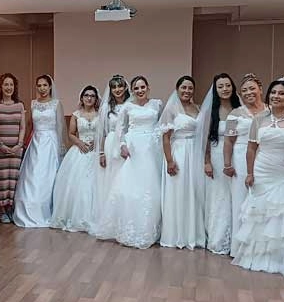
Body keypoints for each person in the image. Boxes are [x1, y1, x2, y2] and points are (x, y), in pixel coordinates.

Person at [232, 78, 284, 280]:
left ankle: (281, 258)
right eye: (273, 92)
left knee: (283, 212)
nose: (276, 96)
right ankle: (259, 256)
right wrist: (249, 172)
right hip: (263, 169)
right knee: (261, 212)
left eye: (281, 93)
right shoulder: (259, 119)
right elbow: (251, 147)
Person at [98, 76, 163, 248]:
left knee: (152, 185)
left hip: (152, 148)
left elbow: (161, 126)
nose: (140, 90)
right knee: (131, 186)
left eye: (143, 87)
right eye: (136, 88)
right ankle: (130, 225)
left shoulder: (157, 104)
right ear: (132, 90)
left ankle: (152, 227)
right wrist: (123, 145)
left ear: (148, 88)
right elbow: (120, 128)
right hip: (134, 147)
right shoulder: (127, 106)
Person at [158, 75, 211, 249]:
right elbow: (165, 138)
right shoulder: (171, 109)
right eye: (184, 88)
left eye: (190, 88)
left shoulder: (197, 108)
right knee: (179, 192)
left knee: (195, 192)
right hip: (179, 152)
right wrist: (169, 161)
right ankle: (177, 234)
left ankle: (194, 234)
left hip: (195, 153)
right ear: (177, 89)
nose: (187, 91)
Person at [13, 74, 68, 228]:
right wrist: (24, 143)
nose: (42, 88)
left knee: (47, 174)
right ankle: (28, 210)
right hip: (36, 142)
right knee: (32, 174)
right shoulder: (33, 104)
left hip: (50, 142)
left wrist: (60, 146)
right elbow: (30, 124)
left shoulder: (56, 104)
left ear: (50, 87)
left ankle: (47, 210)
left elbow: (60, 127)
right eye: (39, 85)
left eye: (45, 85)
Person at [223, 73, 269, 257]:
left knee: (264, 201)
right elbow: (228, 141)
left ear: (260, 89)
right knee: (241, 201)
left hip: (266, 158)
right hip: (241, 158)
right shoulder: (235, 114)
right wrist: (227, 164)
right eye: (244, 90)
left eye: (252, 88)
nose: (248, 92)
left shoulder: (271, 110)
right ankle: (240, 247)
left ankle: (262, 248)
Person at [51, 85, 100, 232]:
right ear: (82, 98)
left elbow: (104, 131)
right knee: (77, 184)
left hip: (96, 152)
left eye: (92, 95)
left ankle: (94, 217)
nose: (89, 98)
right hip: (79, 151)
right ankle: (75, 216)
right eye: (86, 95)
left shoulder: (101, 114)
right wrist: (79, 143)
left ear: (96, 99)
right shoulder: (76, 115)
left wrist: (97, 142)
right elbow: (71, 133)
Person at [204, 73, 240, 255]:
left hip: (238, 156)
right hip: (218, 157)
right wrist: (207, 162)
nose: (225, 89)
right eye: (220, 86)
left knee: (237, 197)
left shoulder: (240, 107)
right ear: (215, 90)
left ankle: (237, 239)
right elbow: (206, 140)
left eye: (227, 85)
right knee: (220, 198)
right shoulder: (211, 110)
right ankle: (219, 239)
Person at [93, 75, 130, 238]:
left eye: (120, 86)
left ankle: (125, 218)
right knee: (110, 181)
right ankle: (110, 220)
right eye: (114, 87)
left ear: (125, 87)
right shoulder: (106, 108)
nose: (117, 89)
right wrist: (101, 152)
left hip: (128, 144)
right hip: (110, 145)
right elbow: (101, 132)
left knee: (126, 181)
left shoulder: (131, 105)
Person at [0, 73, 26, 223]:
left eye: (11, 85)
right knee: (0, 179)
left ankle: (11, 207)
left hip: (16, 150)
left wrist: (19, 144)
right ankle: (1, 209)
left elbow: (23, 126)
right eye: (6, 84)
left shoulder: (20, 105)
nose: (9, 87)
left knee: (14, 179)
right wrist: (0, 144)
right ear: (1, 86)